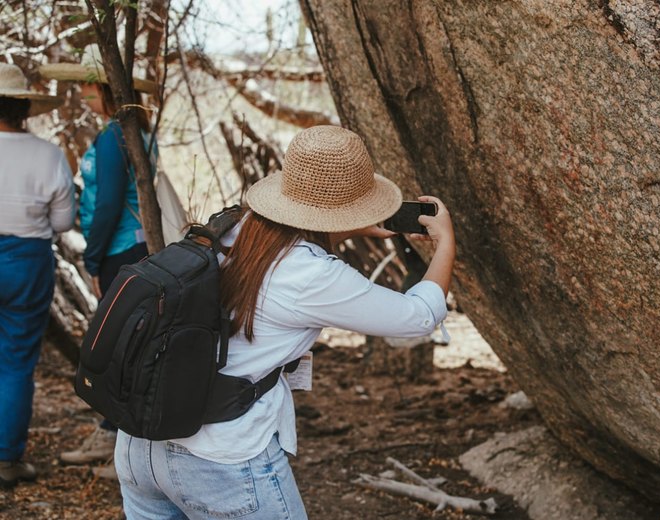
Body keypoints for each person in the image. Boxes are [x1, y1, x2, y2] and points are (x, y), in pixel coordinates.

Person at [113, 125, 455, 519]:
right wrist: (446, 242)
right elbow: (419, 316)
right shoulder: (312, 274)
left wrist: (341, 225)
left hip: (140, 442)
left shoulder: (230, 228)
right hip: (220, 456)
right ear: (348, 210)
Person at [40, 46, 157, 475]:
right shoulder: (140, 131)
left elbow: (107, 204)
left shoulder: (113, 137)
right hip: (135, 246)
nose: (84, 98)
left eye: (89, 90)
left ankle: (118, 441)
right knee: (131, 342)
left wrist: (92, 260)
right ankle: (121, 439)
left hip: (119, 250)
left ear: (106, 90)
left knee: (119, 345)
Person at [0, 63, 74, 488]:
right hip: (26, 262)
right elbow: (63, 223)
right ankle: (7, 460)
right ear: (26, 108)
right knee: (15, 363)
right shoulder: (47, 155)